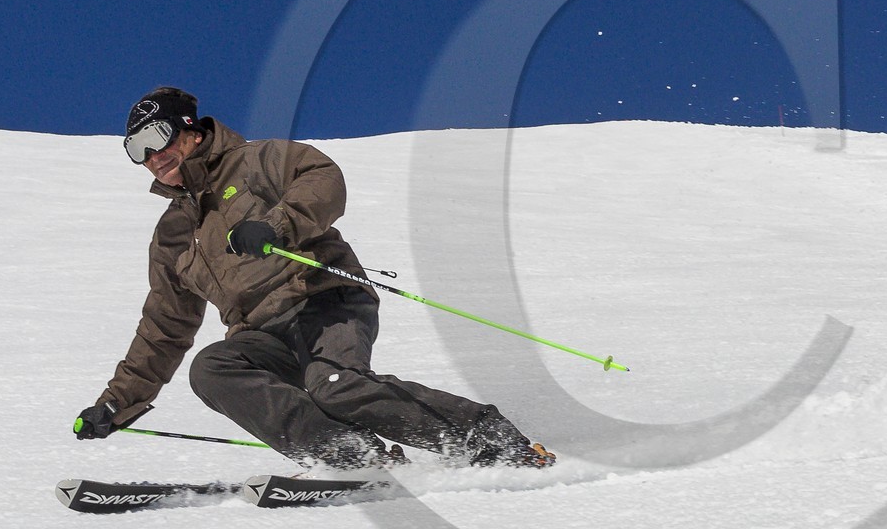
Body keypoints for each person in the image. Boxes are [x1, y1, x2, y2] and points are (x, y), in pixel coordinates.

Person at [74, 86, 555, 470]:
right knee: (213, 368)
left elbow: (324, 178)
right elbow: (164, 326)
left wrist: (277, 224)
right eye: (135, 149)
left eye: (155, 138)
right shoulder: (174, 235)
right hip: (260, 335)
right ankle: (350, 456)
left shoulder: (257, 161)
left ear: (189, 130)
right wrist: (117, 405)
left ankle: (486, 437)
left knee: (336, 385)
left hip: (323, 301)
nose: (151, 156)